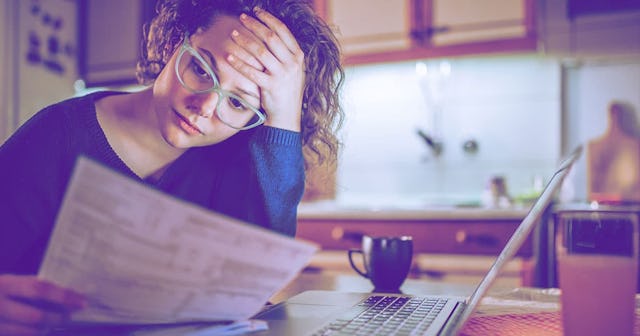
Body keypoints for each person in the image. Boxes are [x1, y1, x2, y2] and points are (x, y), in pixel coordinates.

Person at [0, 0, 344, 334]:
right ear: (172, 43)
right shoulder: (56, 137)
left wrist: (284, 117)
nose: (204, 107)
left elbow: (257, 283)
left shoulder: (233, 162)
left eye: (238, 102)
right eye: (200, 68)